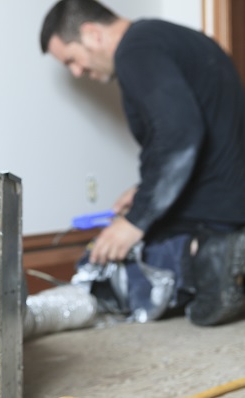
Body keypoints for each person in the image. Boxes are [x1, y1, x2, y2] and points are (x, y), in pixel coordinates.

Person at [38, 0, 245, 326]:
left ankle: (205, 257)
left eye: (72, 60)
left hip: (212, 214)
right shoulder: (170, 38)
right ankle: (212, 259)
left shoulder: (136, 50)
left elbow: (179, 134)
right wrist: (143, 190)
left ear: (92, 34)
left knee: (103, 274)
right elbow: (196, 134)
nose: (77, 72)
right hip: (232, 200)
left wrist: (135, 221)